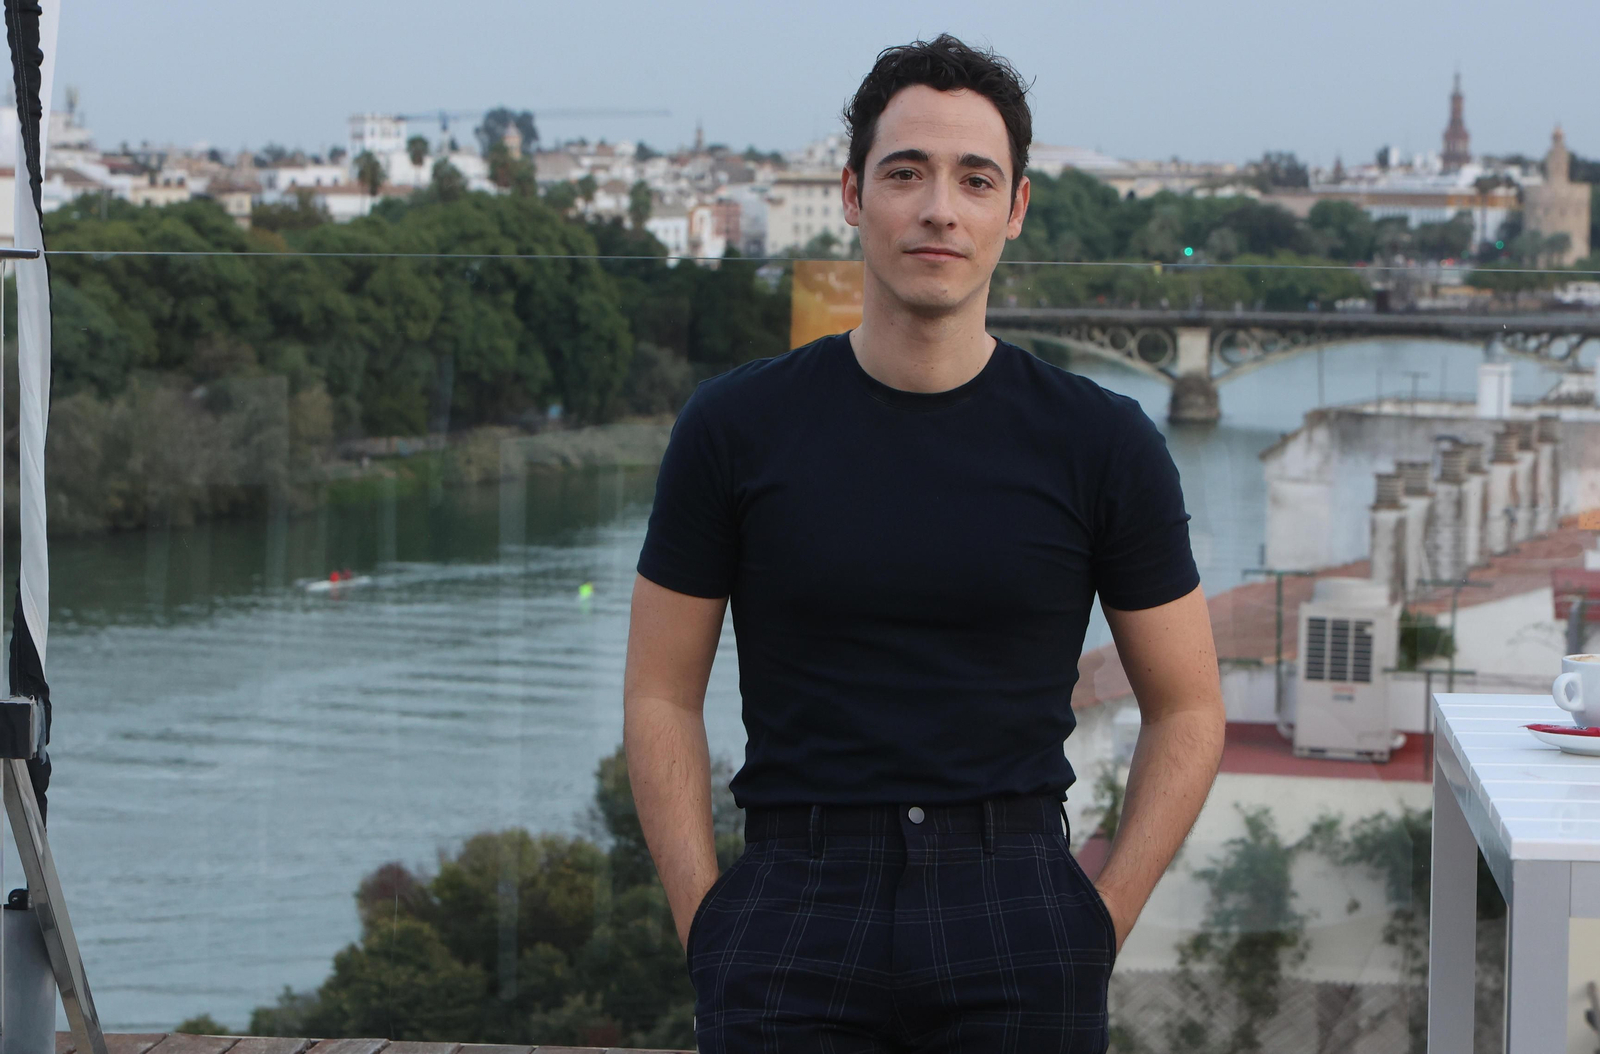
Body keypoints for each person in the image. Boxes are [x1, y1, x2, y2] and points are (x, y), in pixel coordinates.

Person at [624, 34, 1225, 1053]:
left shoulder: (1100, 443)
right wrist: (708, 924)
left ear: (1014, 210)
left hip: (1017, 906)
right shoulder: (733, 429)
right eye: (905, 173)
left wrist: (1098, 917)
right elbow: (658, 694)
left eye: (973, 179)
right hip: (792, 902)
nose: (938, 207)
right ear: (854, 195)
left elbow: (1190, 706)